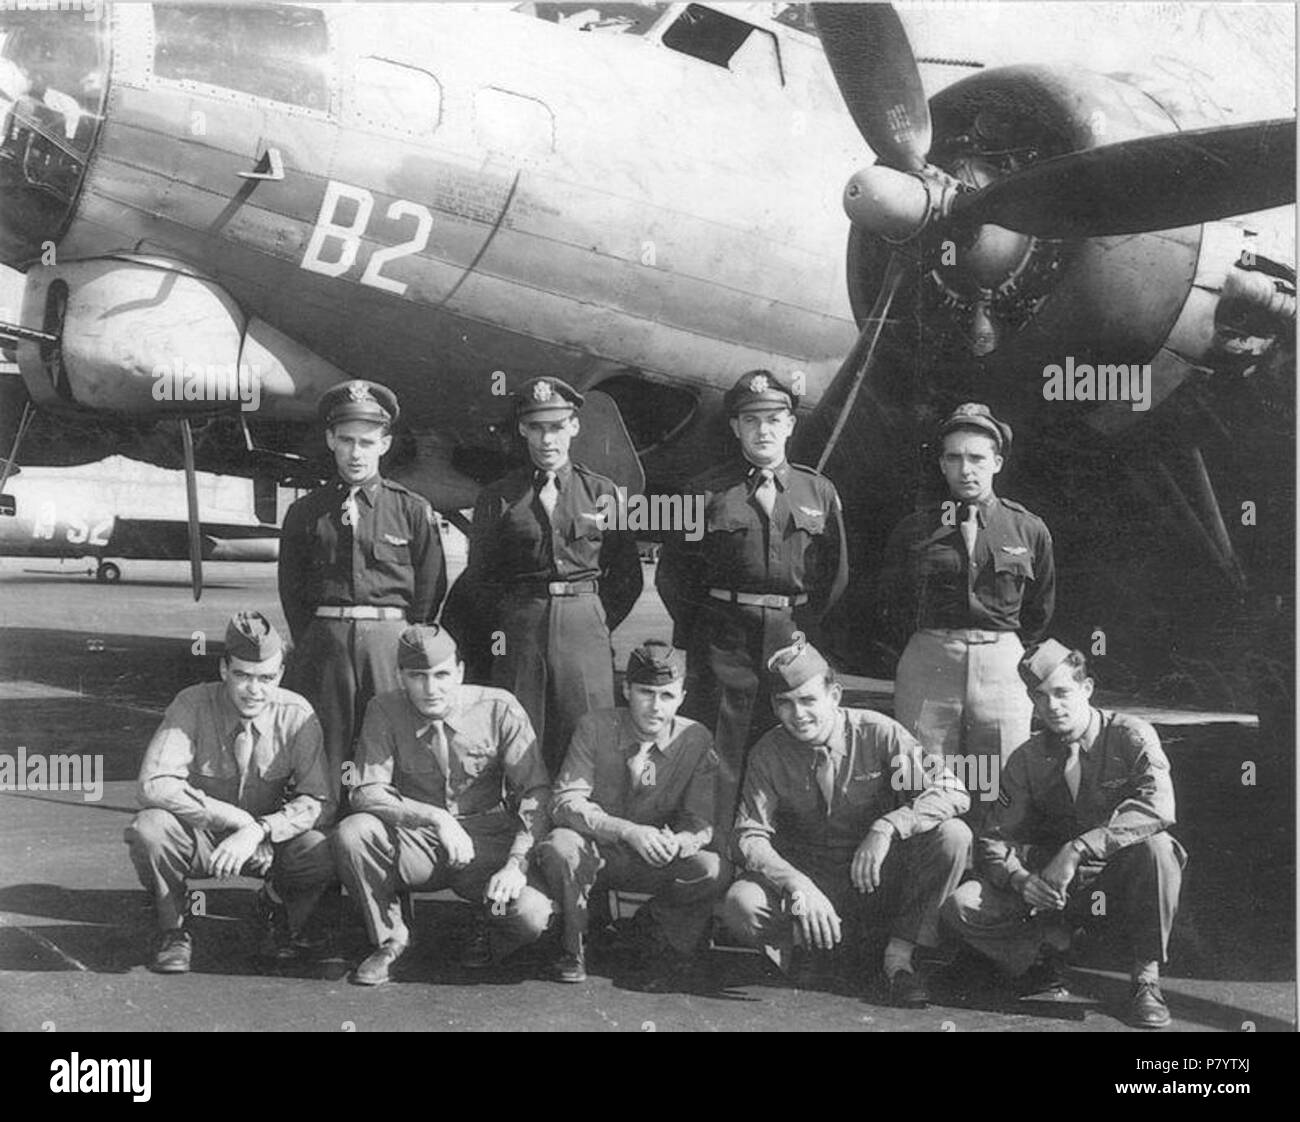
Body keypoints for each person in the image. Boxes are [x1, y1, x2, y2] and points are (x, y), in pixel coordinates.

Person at [941, 640, 1186, 1029]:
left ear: (1087, 688)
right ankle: (1046, 951)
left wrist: (1078, 849)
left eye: (1062, 693)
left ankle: (1145, 979)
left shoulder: (1129, 735)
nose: (1052, 706)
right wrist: (1020, 880)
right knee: (961, 905)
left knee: (1158, 850)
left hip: (1115, 881)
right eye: (1040, 697)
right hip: (1052, 891)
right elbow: (993, 837)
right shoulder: (1027, 757)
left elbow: (1159, 806)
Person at [720, 634, 970, 1007]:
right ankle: (809, 949)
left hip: (875, 880)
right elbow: (749, 835)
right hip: (813, 885)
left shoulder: (878, 733)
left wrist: (888, 826)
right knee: (743, 902)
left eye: (808, 700)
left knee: (953, 836)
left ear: (834, 696)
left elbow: (953, 790)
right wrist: (796, 883)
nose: (798, 714)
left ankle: (898, 960)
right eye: (784, 704)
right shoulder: (769, 752)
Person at [657, 369, 848, 840]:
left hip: (792, 640)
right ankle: (718, 859)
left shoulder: (817, 492)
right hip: (725, 642)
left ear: (790, 424)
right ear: (735, 428)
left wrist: (804, 631)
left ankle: (783, 858)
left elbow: (834, 573)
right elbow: (674, 574)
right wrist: (699, 637)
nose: (763, 430)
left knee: (792, 747)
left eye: (773, 418)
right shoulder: (700, 492)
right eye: (751, 420)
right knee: (721, 755)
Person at [333, 624, 555, 986]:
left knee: (531, 915)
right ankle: (390, 938)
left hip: (488, 843)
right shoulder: (385, 709)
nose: (431, 688)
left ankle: (489, 925)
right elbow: (365, 790)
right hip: (418, 841)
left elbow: (536, 792)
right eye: (417, 676)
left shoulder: (498, 708)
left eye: (442, 675)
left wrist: (516, 863)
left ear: (461, 672)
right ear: (401, 676)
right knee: (353, 833)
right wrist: (435, 818)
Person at [124, 612, 335, 974]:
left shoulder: (297, 715)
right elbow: (153, 783)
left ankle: (274, 905)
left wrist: (261, 829)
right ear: (224, 670)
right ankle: (172, 929)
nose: (255, 690)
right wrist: (236, 819)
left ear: (281, 674)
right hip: (201, 838)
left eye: (267, 678)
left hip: (265, 847)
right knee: (150, 828)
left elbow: (320, 801)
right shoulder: (191, 704)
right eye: (243, 676)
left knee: (320, 846)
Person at [878, 402, 1054, 827]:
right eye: (954, 457)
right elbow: (890, 602)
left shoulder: (1027, 528)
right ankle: (932, 875)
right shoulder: (915, 530)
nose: (965, 469)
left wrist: (1003, 650)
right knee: (922, 777)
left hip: (1001, 666)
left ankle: (992, 878)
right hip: (930, 663)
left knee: (1000, 780)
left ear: (996, 462)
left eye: (976, 457)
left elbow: (1041, 607)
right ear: (941, 464)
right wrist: (927, 646)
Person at [464, 376, 642, 773]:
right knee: (519, 726)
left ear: (574, 426)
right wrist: (512, 620)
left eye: (557, 427)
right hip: (521, 625)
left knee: (589, 727)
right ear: (523, 429)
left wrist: (594, 619)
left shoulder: (603, 493)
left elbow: (627, 573)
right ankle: (522, 822)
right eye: (537, 428)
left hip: (585, 625)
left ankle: (586, 821)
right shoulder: (499, 496)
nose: (547, 440)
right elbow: (481, 578)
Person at [279, 378, 447, 790]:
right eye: (347, 440)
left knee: (390, 740)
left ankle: (386, 830)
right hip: (326, 640)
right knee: (325, 744)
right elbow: (292, 587)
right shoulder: (305, 512)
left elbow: (431, 582)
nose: (356, 453)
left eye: (367, 442)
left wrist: (405, 639)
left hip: (389, 641)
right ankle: (322, 829)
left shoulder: (411, 509)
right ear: (331, 440)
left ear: (385, 444)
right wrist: (319, 637)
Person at [537, 640, 725, 988]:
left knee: (711, 868)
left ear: (682, 696)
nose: (655, 707)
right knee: (559, 845)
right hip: (597, 851)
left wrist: (680, 841)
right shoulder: (595, 726)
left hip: (652, 858)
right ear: (626, 689)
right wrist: (627, 831)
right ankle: (573, 945)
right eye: (645, 693)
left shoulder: (696, 739)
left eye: (667, 696)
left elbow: (701, 821)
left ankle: (647, 930)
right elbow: (565, 801)